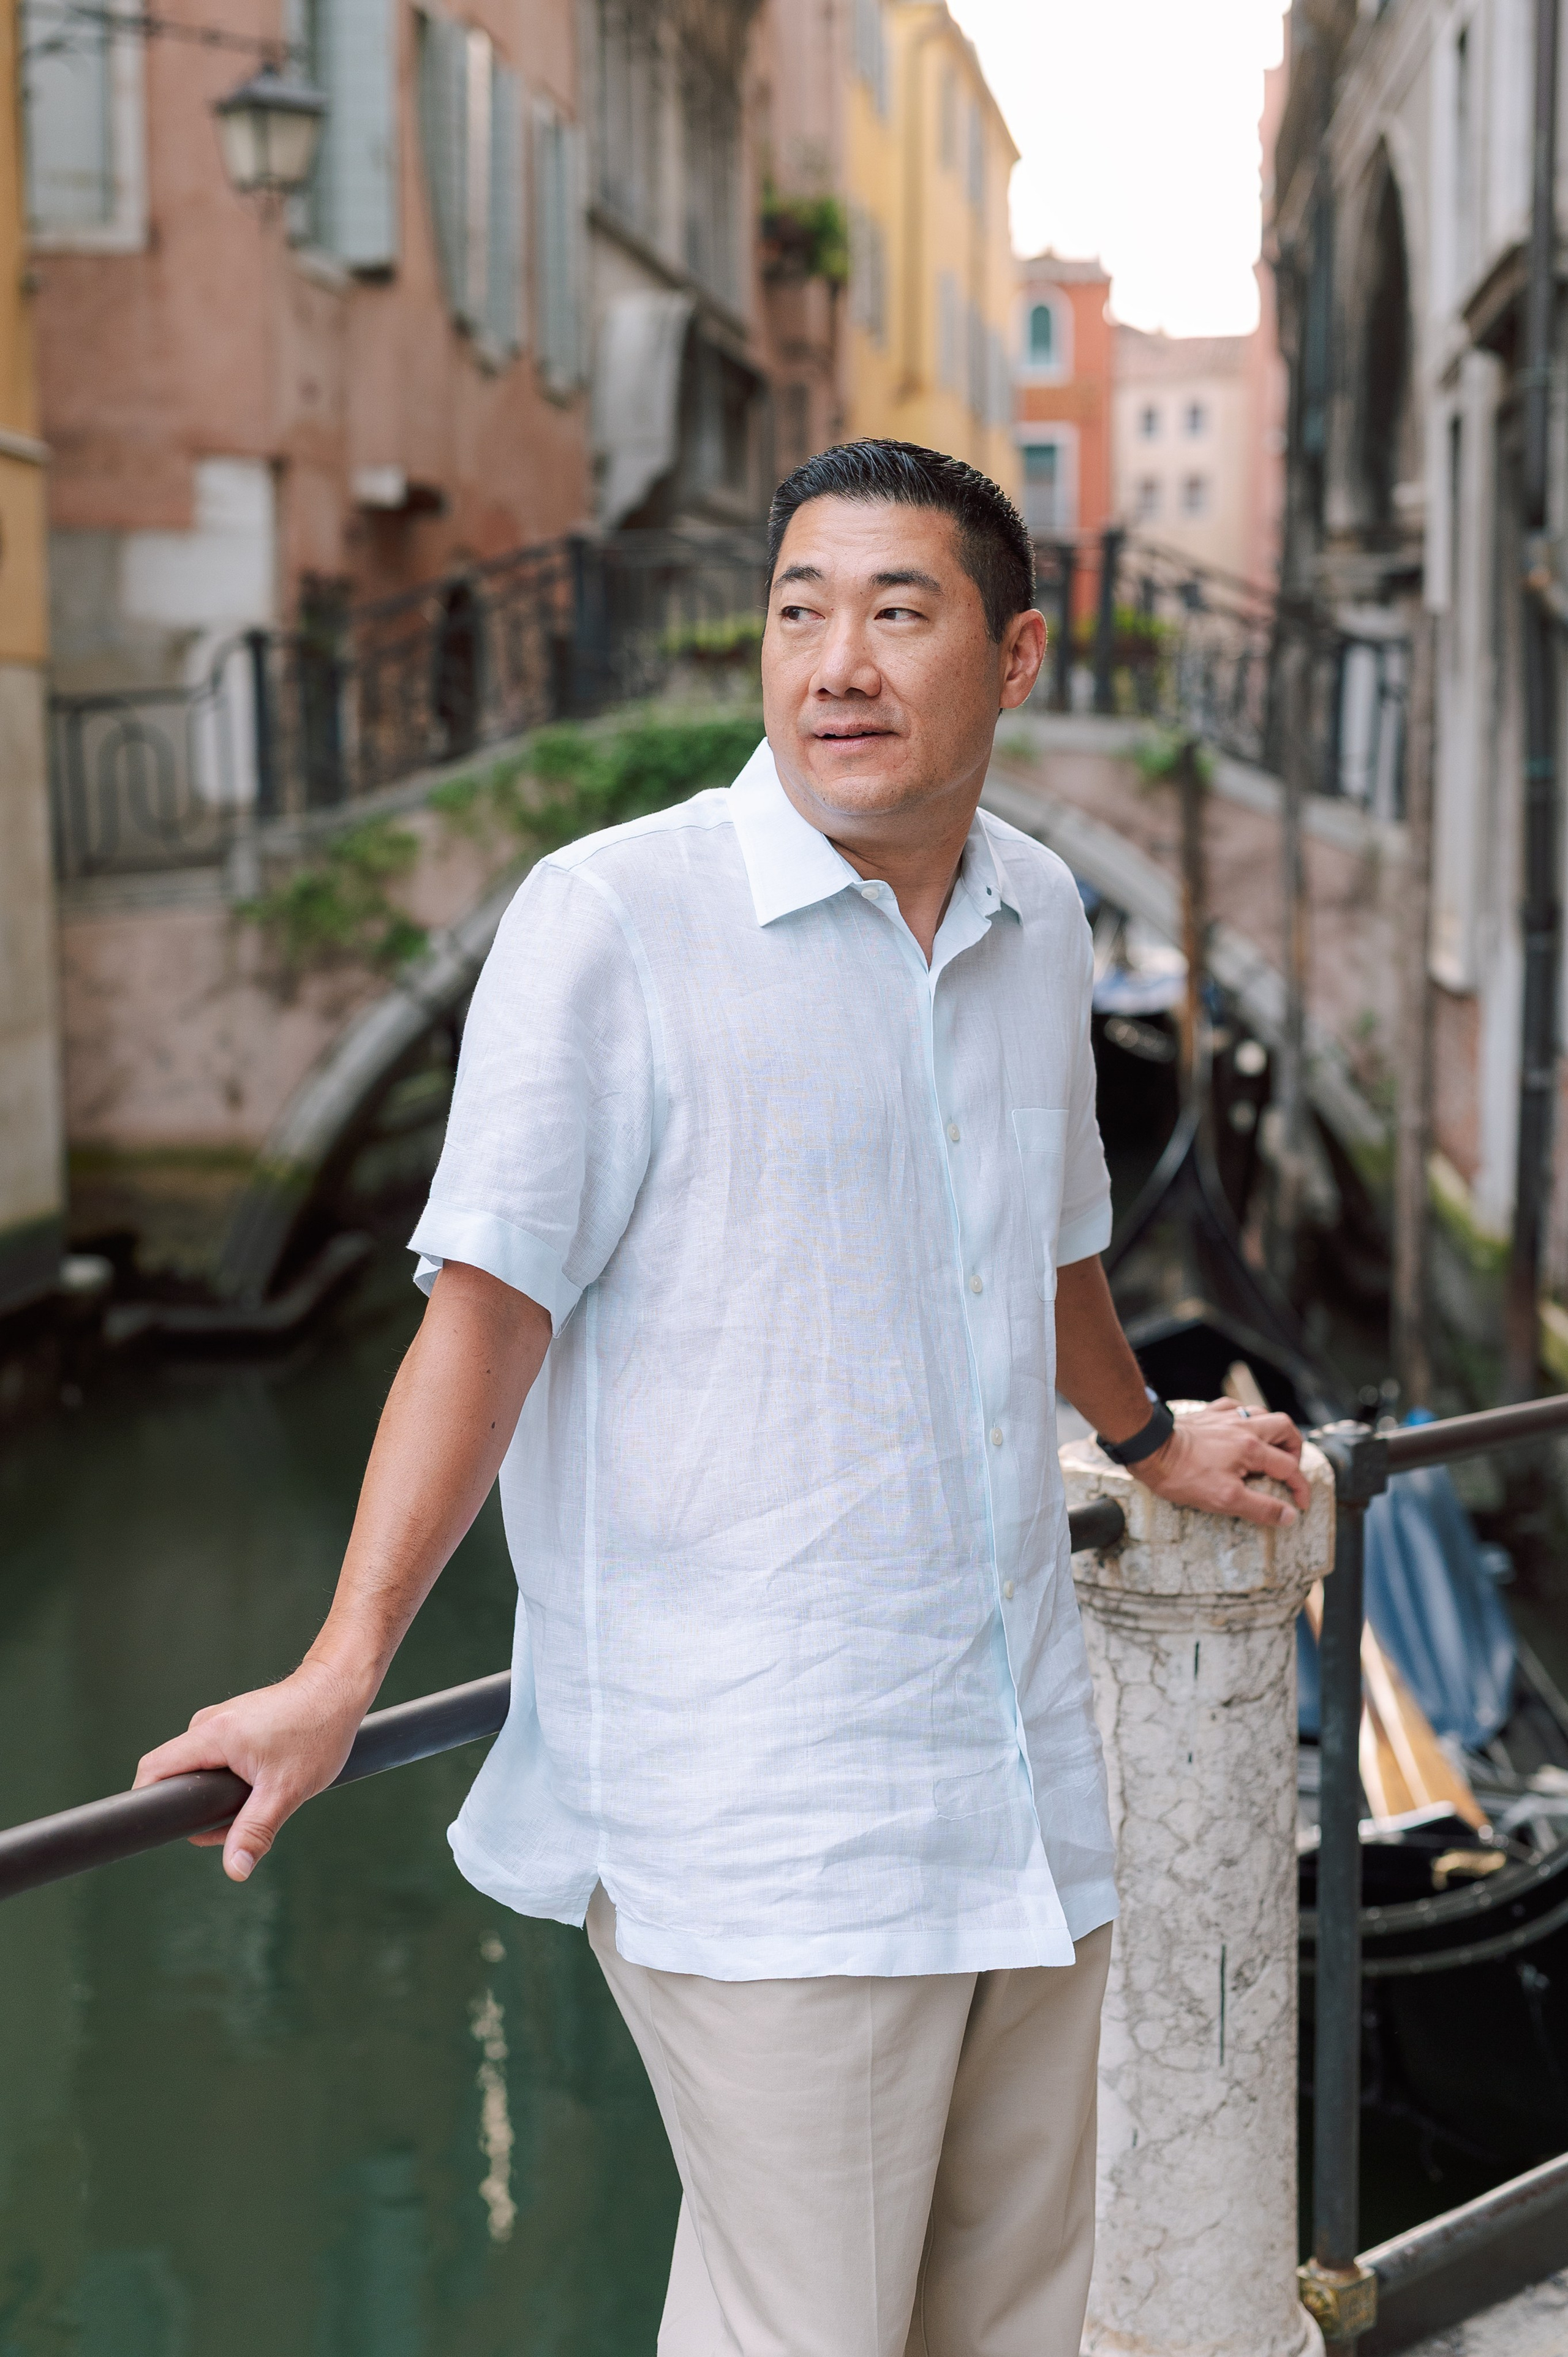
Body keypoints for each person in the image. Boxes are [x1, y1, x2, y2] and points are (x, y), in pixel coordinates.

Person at [137, 440, 1308, 2355]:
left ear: (1014, 658)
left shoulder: (1042, 913)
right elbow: (484, 1321)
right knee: (802, 2331)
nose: (837, 661)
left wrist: (1145, 1432)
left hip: (1023, 1780)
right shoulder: (612, 919)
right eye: (799, 611)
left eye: (897, 613)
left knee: (1013, 2319)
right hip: (768, 1812)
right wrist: (345, 1667)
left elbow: (1056, 1245)